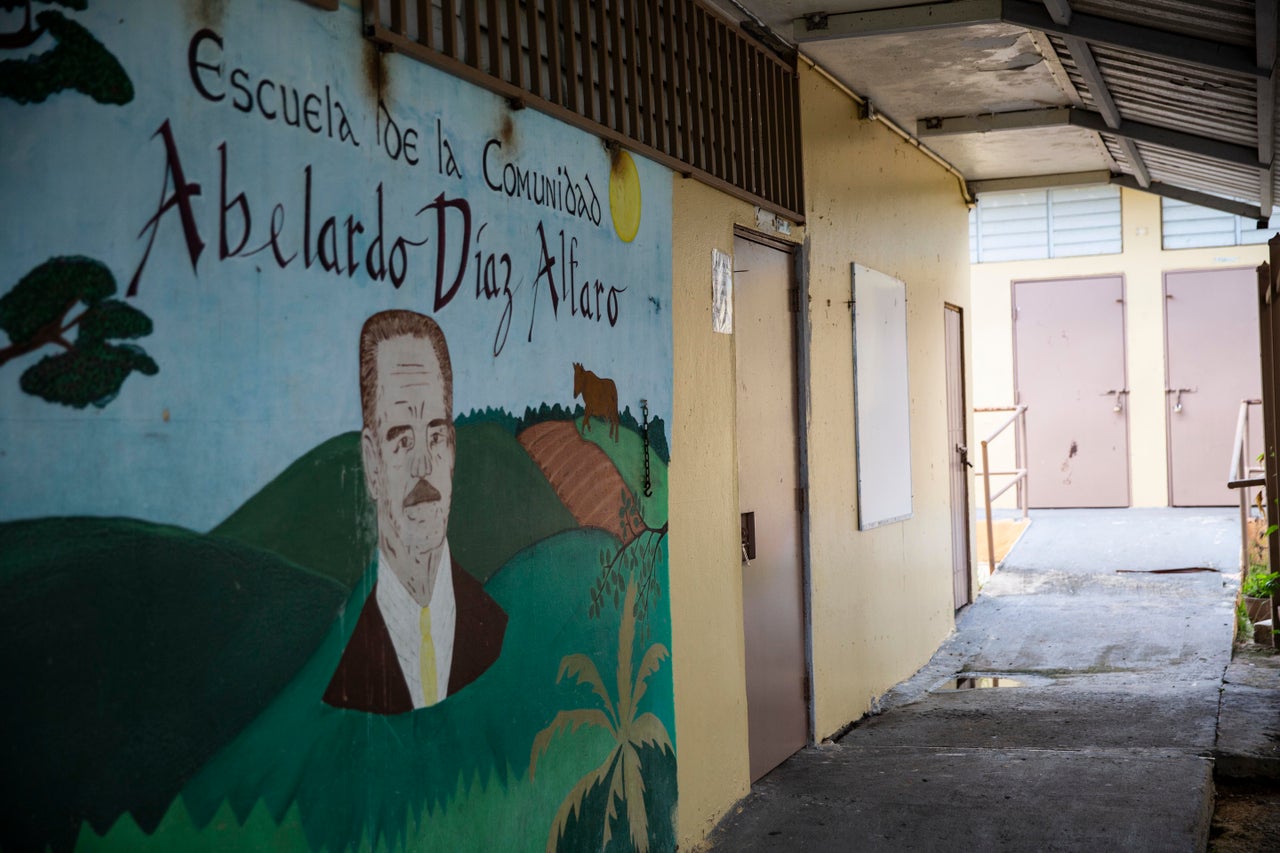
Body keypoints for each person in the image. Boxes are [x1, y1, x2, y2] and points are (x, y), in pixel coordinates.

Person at [323, 310, 506, 714]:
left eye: (436, 435)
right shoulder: (334, 672)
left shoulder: (504, 637)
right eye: (402, 439)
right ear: (372, 464)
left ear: (453, 451)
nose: (423, 465)